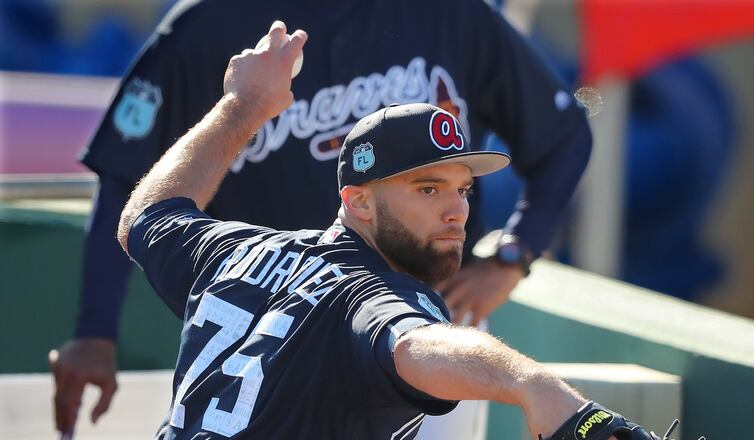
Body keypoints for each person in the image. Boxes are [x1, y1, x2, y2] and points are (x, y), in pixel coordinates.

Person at [49, 0, 592, 435]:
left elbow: (144, 209)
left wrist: (514, 253)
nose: (455, 206)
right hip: (325, 323)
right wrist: (531, 384)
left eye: (462, 188)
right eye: (430, 187)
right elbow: (125, 167)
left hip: (254, 287)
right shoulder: (210, 21)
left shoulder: (452, 13)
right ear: (354, 199)